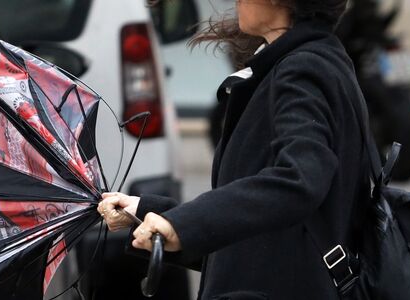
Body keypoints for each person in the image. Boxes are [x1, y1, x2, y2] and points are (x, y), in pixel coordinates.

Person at [99, 0, 369, 298]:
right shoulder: (317, 60)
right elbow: (260, 230)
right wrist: (151, 213)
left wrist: (183, 225)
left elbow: (300, 180)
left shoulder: (302, 69)